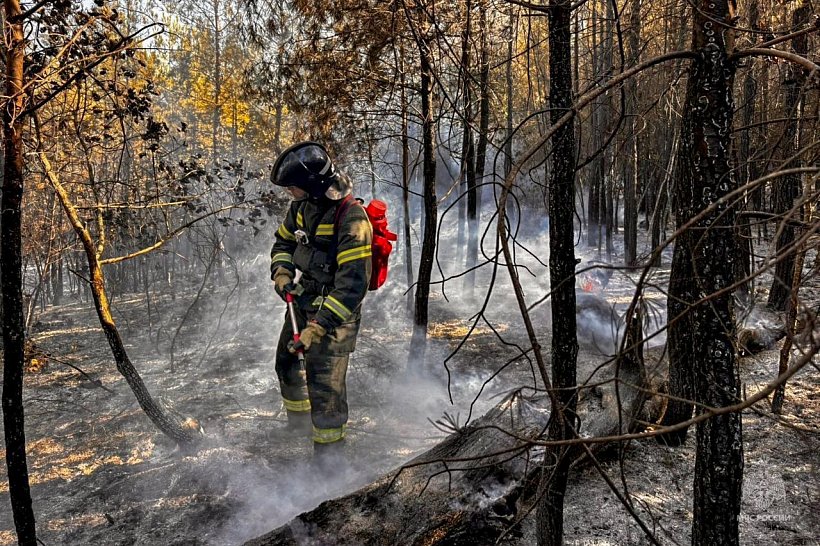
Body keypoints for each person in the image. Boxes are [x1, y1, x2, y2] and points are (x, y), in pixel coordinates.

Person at [269, 141, 372, 463]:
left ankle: (329, 464)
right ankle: (297, 426)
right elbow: (283, 242)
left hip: (335, 317)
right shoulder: (301, 208)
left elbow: (353, 285)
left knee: (325, 390)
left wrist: (319, 326)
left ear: (312, 185)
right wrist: (283, 272)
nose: (289, 193)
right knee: (285, 365)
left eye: (293, 187)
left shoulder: (352, 219)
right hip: (303, 301)